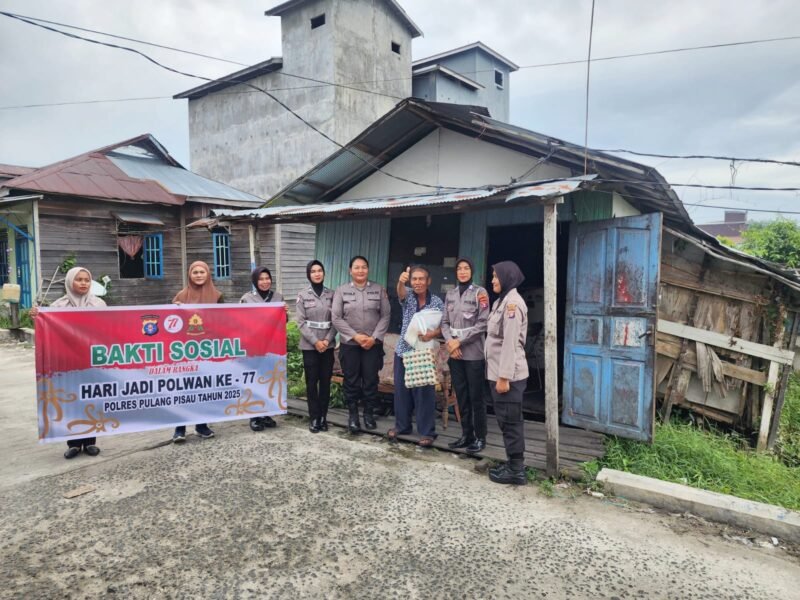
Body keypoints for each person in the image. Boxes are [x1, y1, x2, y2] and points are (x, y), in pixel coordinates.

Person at [30, 267, 106, 459]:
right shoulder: (58, 306)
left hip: (91, 361)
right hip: (67, 362)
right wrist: (37, 318)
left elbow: (108, 329)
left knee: (90, 400)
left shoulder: (99, 304)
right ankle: (73, 444)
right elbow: (46, 330)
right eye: (78, 279)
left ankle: (90, 442)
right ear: (70, 282)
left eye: (86, 280)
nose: (83, 283)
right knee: (71, 400)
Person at [331, 256, 390, 433]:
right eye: (356, 267)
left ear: (368, 269)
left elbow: (386, 316)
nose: (360, 270)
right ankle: (353, 415)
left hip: (373, 344)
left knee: (371, 380)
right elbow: (336, 317)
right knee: (351, 380)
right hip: (350, 344)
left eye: (364, 267)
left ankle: (369, 414)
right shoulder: (341, 291)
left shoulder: (379, 290)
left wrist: (374, 338)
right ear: (350, 270)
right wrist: (355, 336)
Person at [388, 265, 444, 447]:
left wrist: (432, 334)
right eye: (414, 279)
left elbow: (443, 326)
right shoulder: (409, 296)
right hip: (403, 350)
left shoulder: (436, 302)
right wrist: (400, 281)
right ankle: (402, 426)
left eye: (421, 279)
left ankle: (427, 432)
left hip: (423, 351)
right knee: (402, 391)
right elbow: (401, 293)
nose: (418, 282)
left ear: (428, 281)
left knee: (424, 392)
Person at [485, 261, 529, 485]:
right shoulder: (502, 301)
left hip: (507, 375)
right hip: (498, 372)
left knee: (511, 421)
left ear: (507, 277)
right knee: (506, 420)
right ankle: (513, 463)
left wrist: (504, 377)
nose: (492, 279)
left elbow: (510, 343)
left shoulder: (512, 304)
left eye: (496, 276)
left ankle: (516, 470)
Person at [441, 258, 490, 454]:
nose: (462, 271)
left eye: (466, 268)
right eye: (459, 269)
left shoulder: (480, 293)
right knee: (461, 395)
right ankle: (466, 435)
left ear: (472, 271)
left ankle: (480, 437)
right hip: (455, 354)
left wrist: (458, 342)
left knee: (476, 397)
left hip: (473, 353)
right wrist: (451, 343)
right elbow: (444, 322)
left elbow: (482, 324)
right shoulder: (451, 294)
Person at [171, 261, 221, 443]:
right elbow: (170, 324)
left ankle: (201, 425)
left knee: (203, 388)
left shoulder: (217, 296)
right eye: (195, 272)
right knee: (183, 389)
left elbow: (225, 320)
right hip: (185, 351)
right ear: (189, 275)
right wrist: (173, 309)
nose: (199, 275)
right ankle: (180, 428)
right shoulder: (181, 296)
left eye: (202, 272)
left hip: (208, 350)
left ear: (208, 274)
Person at [240, 266, 285, 431]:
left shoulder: (278, 297)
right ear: (255, 281)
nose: (265, 282)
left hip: (273, 346)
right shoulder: (247, 298)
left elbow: (282, 322)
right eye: (261, 279)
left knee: (269, 379)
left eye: (267, 278)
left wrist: (284, 314)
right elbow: (240, 322)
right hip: (254, 346)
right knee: (255, 379)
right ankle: (254, 415)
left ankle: (266, 413)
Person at [295, 260, 336, 433]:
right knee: (312, 383)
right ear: (309, 274)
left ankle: (323, 417)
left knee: (325, 382)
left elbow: (337, 320)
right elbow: (300, 322)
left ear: (324, 273)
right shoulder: (303, 295)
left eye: (320, 270)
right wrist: (316, 342)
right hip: (309, 345)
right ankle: (313, 417)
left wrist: (326, 341)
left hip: (328, 345)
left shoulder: (332, 295)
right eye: (313, 271)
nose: (317, 274)